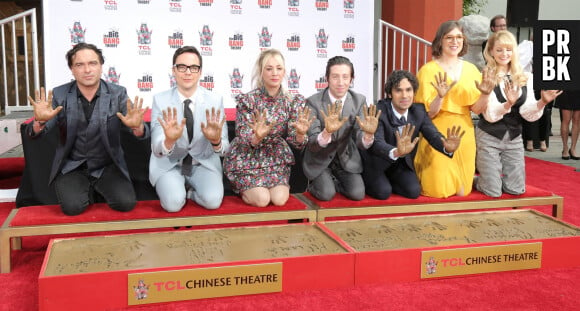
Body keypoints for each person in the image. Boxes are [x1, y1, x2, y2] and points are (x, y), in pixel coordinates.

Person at [26, 43, 149, 216]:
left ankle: (98, 188)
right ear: (72, 69)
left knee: (126, 203)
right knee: (73, 208)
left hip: (107, 165)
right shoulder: (60, 94)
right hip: (72, 166)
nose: (87, 70)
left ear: (101, 66)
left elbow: (135, 129)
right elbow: (40, 132)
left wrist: (137, 127)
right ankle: (82, 189)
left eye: (92, 63)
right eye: (79, 65)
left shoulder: (118, 93)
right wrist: (40, 122)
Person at [413, 20, 495, 198]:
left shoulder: (471, 69)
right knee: (437, 190)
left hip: (463, 131)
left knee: (463, 192)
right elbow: (428, 114)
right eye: (449, 37)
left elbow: (477, 109)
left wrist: (486, 95)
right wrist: (440, 97)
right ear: (440, 41)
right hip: (436, 132)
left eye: (459, 37)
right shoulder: (427, 71)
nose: (454, 41)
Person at [476, 30, 562, 197]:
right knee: (493, 191)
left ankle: (490, 177)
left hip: (514, 136)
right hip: (489, 135)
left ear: (514, 51)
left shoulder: (524, 77)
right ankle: (477, 180)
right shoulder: (486, 76)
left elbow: (526, 113)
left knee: (516, 190)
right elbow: (490, 115)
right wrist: (508, 103)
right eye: (499, 49)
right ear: (491, 51)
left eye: (508, 49)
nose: (504, 54)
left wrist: (541, 102)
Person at [223, 49, 314, 207]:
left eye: (279, 68)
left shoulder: (292, 101)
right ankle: (241, 188)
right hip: (247, 159)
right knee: (262, 200)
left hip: (275, 159)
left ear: (284, 72)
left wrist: (300, 134)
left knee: (279, 200)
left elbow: (296, 141)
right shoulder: (248, 100)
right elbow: (242, 136)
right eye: (269, 68)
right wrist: (257, 136)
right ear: (261, 71)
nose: (274, 73)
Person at [361, 70, 464, 200]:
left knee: (413, 191)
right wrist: (396, 151)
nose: (405, 95)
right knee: (383, 192)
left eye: (408, 90)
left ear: (414, 92)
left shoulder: (418, 111)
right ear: (390, 93)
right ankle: (370, 180)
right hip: (377, 163)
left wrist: (446, 147)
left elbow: (433, 135)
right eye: (398, 90)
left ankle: (390, 181)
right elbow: (377, 143)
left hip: (400, 165)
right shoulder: (378, 110)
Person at [149, 46, 230, 212]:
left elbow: (225, 149)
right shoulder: (160, 100)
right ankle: (176, 192)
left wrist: (215, 141)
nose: (188, 72)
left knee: (212, 202)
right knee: (172, 205)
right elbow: (157, 148)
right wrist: (169, 141)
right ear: (174, 70)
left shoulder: (215, 100)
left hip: (203, 163)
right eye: (182, 67)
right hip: (170, 165)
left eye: (194, 68)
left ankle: (190, 195)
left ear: (200, 72)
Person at [303, 56, 381, 201]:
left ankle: (334, 183)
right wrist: (327, 132)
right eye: (335, 77)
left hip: (346, 158)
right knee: (326, 194)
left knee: (357, 194)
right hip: (320, 159)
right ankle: (315, 185)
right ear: (327, 78)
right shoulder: (313, 102)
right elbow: (312, 142)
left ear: (352, 79)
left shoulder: (359, 100)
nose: (340, 82)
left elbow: (360, 138)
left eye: (345, 77)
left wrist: (368, 135)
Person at [555, 90, 580, 160]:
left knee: (577, 120)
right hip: (566, 88)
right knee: (566, 119)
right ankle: (565, 148)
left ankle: (573, 149)